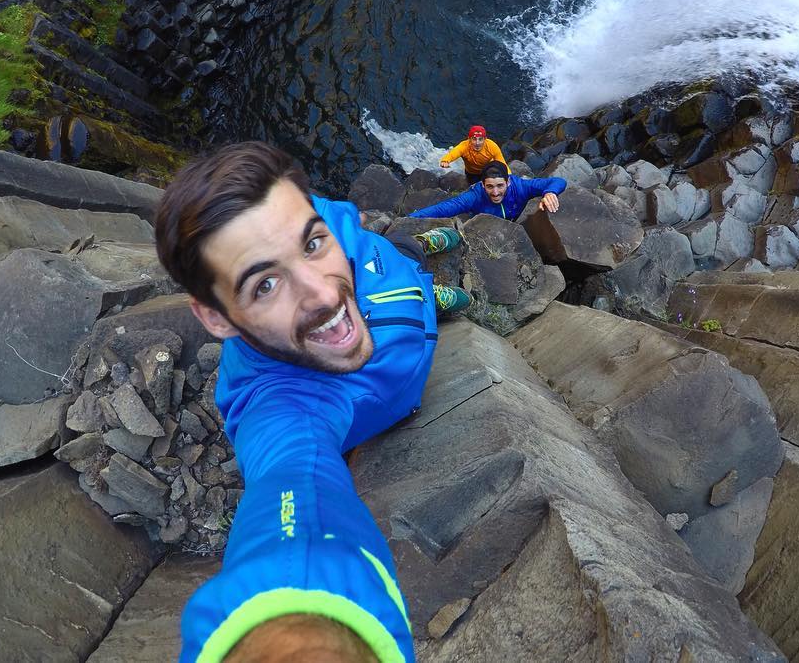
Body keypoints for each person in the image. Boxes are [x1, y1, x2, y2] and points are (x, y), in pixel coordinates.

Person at [155, 142, 470, 663]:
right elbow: (294, 478)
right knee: (427, 294)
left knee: (408, 260)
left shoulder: (308, 219)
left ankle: (424, 270)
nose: (321, 295)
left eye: (313, 244)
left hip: (389, 277)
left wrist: (335, 240)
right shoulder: (275, 403)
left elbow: (338, 219)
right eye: (266, 285)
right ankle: (436, 295)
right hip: (400, 326)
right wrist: (292, 626)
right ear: (217, 318)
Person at [409, 160, 565, 221]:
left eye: (500, 186)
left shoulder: (520, 186)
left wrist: (550, 192)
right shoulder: (474, 196)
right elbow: (444, 209)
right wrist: (408, 220)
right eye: (490, 186)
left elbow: (558, 181)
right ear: (482, 185)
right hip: (489, 229)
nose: (495, 192)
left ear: (508, 182)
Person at [438, 125, 507, 184]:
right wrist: (445, 160)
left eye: (480, 139)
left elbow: (501, 162)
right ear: (469, 139)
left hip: (487, 171)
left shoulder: (492, 146)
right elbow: (454, 152)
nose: (477, 143)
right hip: (471, 173)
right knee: (473, 186)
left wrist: (508, 176)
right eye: (474, 139)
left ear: (485, 139)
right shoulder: (464, 146)